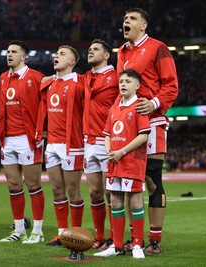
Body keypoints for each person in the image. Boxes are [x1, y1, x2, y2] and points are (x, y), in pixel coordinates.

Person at [117, 7, 178, 254]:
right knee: (130, 184)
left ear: (143, 25)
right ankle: (133, 240)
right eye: (124, 19)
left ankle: (155, 239)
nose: (126, 22)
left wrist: (153, 103)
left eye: (131, 18)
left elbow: (171, 86)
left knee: (152, 181)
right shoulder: (121, 52)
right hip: (128, 124)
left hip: (152, 122)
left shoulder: (157, 48)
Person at [94, 69, 150, 259]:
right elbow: (107, 134)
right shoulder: (114, 107)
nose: (123, 84)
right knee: (115, 199)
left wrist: (121, 152)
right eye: (121, 81)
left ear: (137, 86)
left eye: (128, 81)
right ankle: (117, 246)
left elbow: (143, 135)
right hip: (115, 161)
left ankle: (137, 244)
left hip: (132, 162)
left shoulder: (139, 106)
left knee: (134, 200)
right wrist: (110, 151)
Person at [36, 45, 85, 247]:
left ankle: (75, 234)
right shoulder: (48, 83)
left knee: (73, 190)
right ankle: (61, 234)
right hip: (52, 144)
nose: (57, 56)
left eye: (62, 54)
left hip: (72, 144)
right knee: (57, 190)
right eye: (56, 54)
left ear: (72, 62)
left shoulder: (80, 82)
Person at [0, 40, 45, 244]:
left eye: (14, 52)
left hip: (28, 139)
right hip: (7, 139)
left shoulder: (36, 77)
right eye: (8, 51)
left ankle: (38, 230)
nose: (9, 55)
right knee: (13, 186)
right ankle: (19, 230)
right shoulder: (2, 78)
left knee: (33, 185)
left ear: (24, 56)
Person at [83, 39, 119, 250]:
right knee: (95, 192)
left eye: (95, 49)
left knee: (110, 193)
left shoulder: (116, 77)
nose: (90, 51)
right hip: (89, 142)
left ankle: (115, 237)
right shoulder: (86, 77)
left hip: (109, 141)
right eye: (89, 48)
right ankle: (99, 237)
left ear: (106, 55)